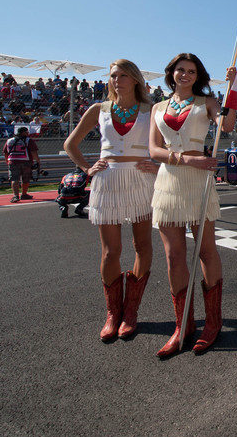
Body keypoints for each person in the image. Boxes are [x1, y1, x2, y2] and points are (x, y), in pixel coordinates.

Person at [64, 59, 160, 341]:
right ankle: (112, 313)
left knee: (142, 245)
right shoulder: (99, 109)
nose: (117, 80)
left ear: (136, 80)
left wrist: (158, 166)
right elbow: (71, 144)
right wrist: (86, 168)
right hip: (106, 181)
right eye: (113, 75)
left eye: (124, 75)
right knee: (110, 252)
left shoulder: (150, 110)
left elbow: (167, 145)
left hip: (141, 180)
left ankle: (131, 312)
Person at [149, 53, 237, 357]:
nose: (185, 74)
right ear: (171, 72)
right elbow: (153, 150)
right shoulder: (158, 107)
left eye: (191, 71)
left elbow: (226, 126)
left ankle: (212, 322)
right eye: (180, 70)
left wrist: (233, 91)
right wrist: (186, 159)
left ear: (198, 75)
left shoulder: (208, 102)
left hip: (199, 182)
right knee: (174, 256)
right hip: (169, 181)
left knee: (205, 249)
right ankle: (182, 324)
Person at [3, 126, 39, 203]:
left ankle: (16, 196)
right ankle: (24, 194)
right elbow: (34, 152)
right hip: (26, 161)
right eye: (27, 132)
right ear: (24, 132)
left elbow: (6, 152)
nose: (28, 133)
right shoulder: (29, 140)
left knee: (14, 179)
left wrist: (7, 161)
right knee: (26, 178)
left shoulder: (9, 140)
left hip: (13, 161)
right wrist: (38, 161)